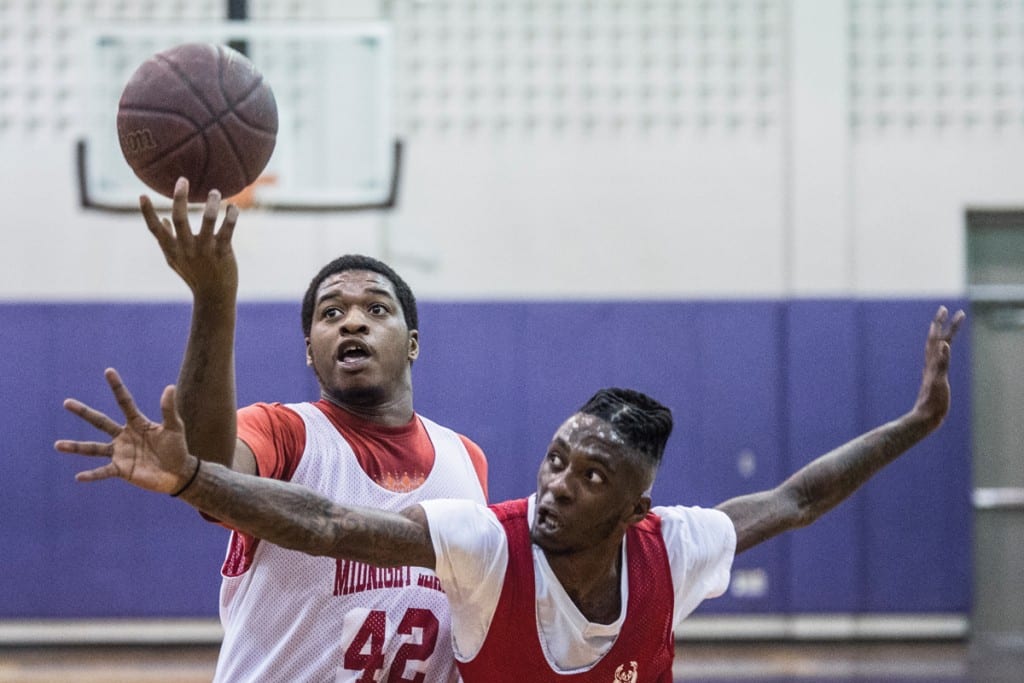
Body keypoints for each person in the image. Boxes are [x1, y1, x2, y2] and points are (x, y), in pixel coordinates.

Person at [56, 306, 965, 682]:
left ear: (635, 507)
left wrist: (917, 421)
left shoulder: (676, 547)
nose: (558, 483)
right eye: (559, 456)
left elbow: (799, 498)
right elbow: (334, 522)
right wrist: (192, 477)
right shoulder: (490, 544)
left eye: (591, 475)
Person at [137, 177, 489, 682]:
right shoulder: (285, 433)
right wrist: (214, 297)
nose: (352, 322)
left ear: (412, 343)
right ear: (309, 350)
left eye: (376, 309)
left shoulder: (467, 460)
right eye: (332, 313)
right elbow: (208, 479)